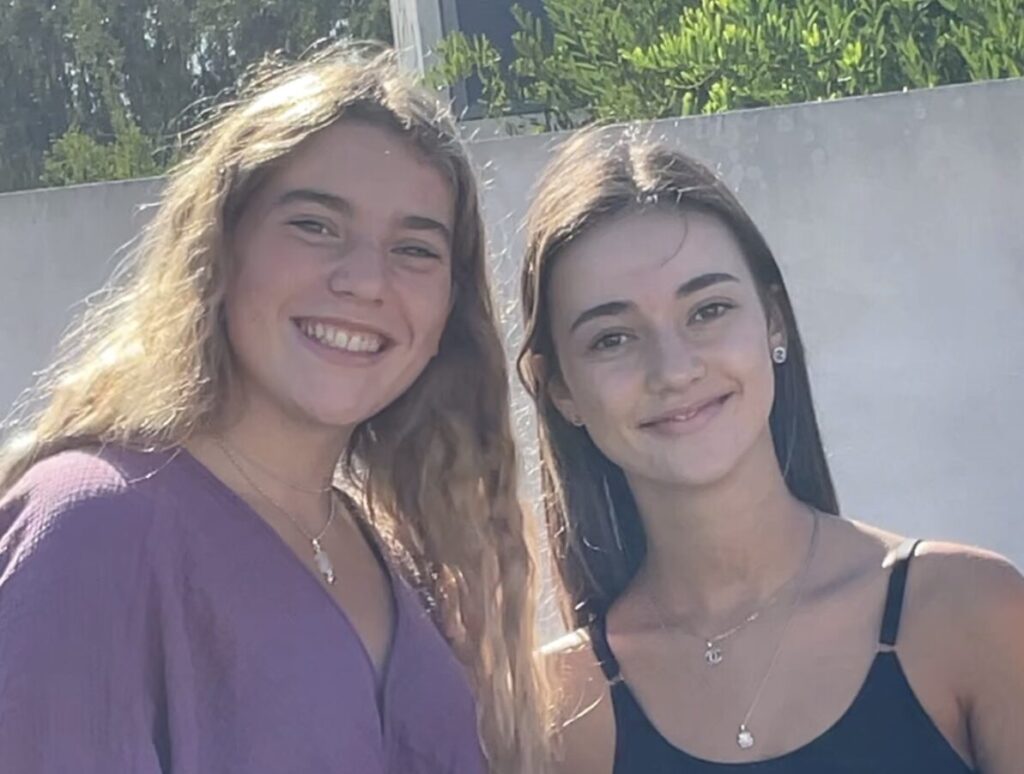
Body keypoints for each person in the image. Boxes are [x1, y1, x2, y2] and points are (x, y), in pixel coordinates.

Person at [0, 45, 545, 774]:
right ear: (220, 248)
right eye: (315, 225)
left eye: (415, 249)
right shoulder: (94, 523)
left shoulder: (402, 560)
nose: (365, 280)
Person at [518, 127, 1024, 773]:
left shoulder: (968, 610)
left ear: (774, 321)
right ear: (559, 389)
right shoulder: (558, 713)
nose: (674, 369)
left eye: (708, 310)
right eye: (611, 338)